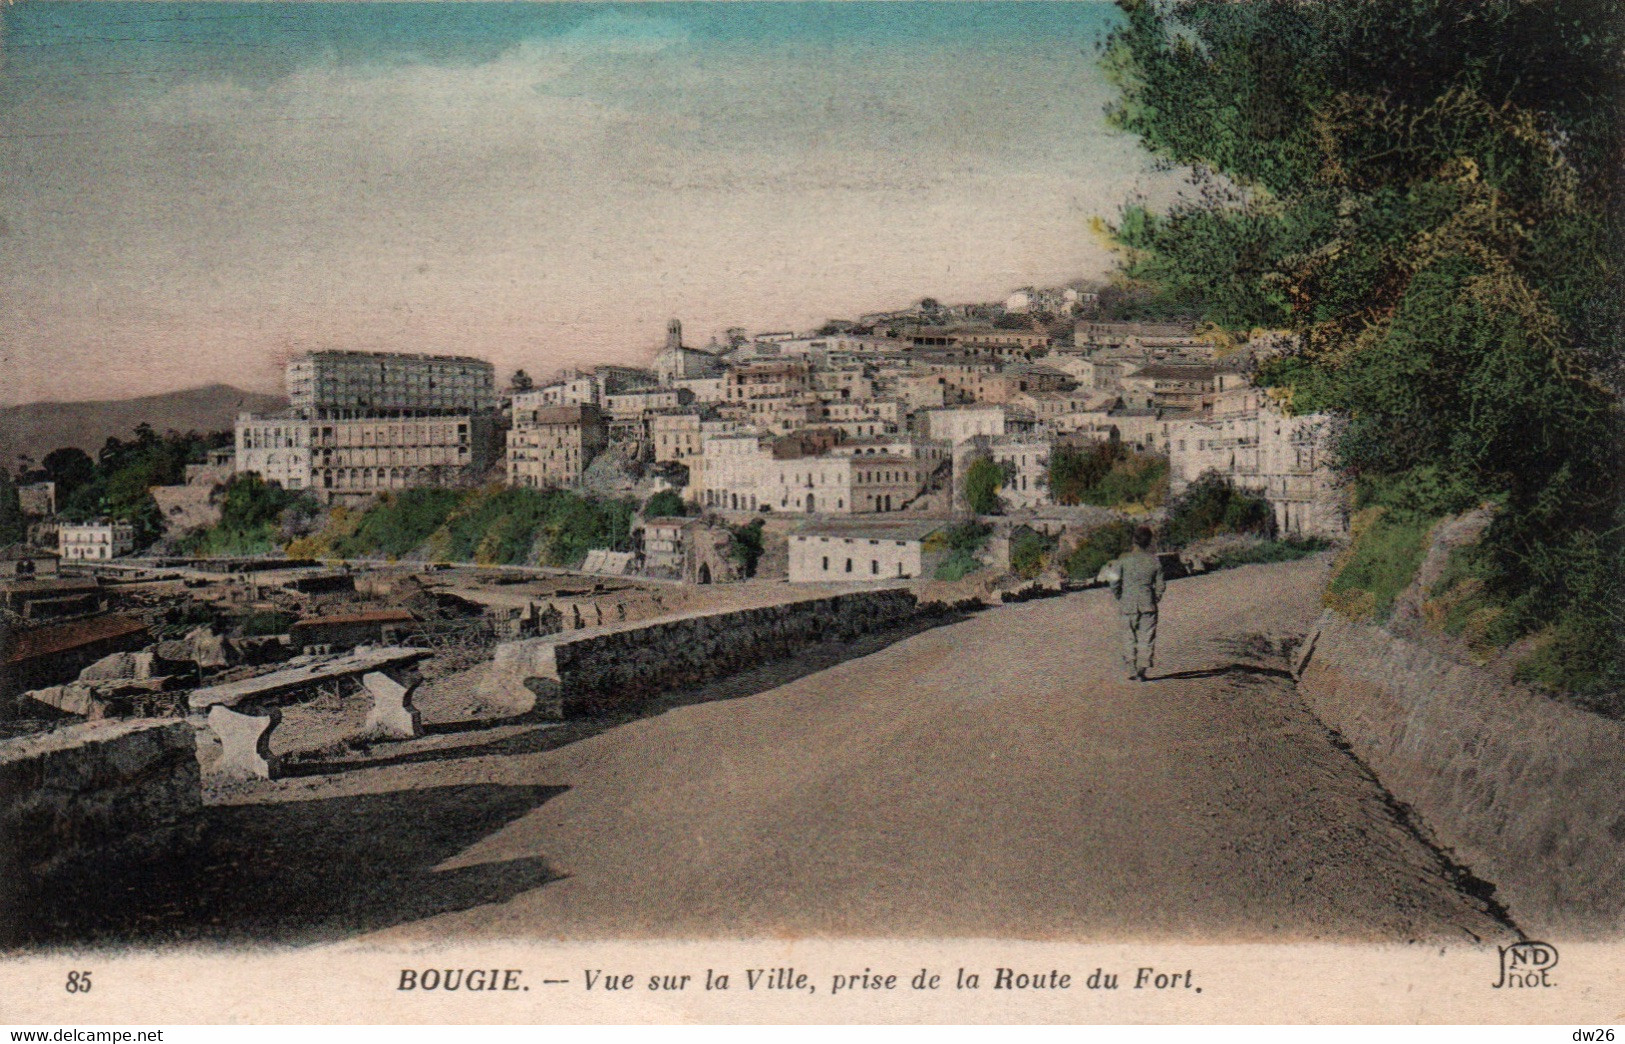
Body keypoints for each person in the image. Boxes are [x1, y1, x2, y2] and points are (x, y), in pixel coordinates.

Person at [1109, 525, 1166, 682]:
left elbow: (1113, 581)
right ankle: (1142, 669)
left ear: (1134, 540)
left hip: (1128, 603)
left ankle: (1132, 668)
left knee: (1129, 635)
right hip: (1148, 603)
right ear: (1149, 542)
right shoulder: (1154, 560)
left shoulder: (1123, 559)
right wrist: (1156, 597)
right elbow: (1161, 585)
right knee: (1147, 637)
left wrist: (1120, 596)